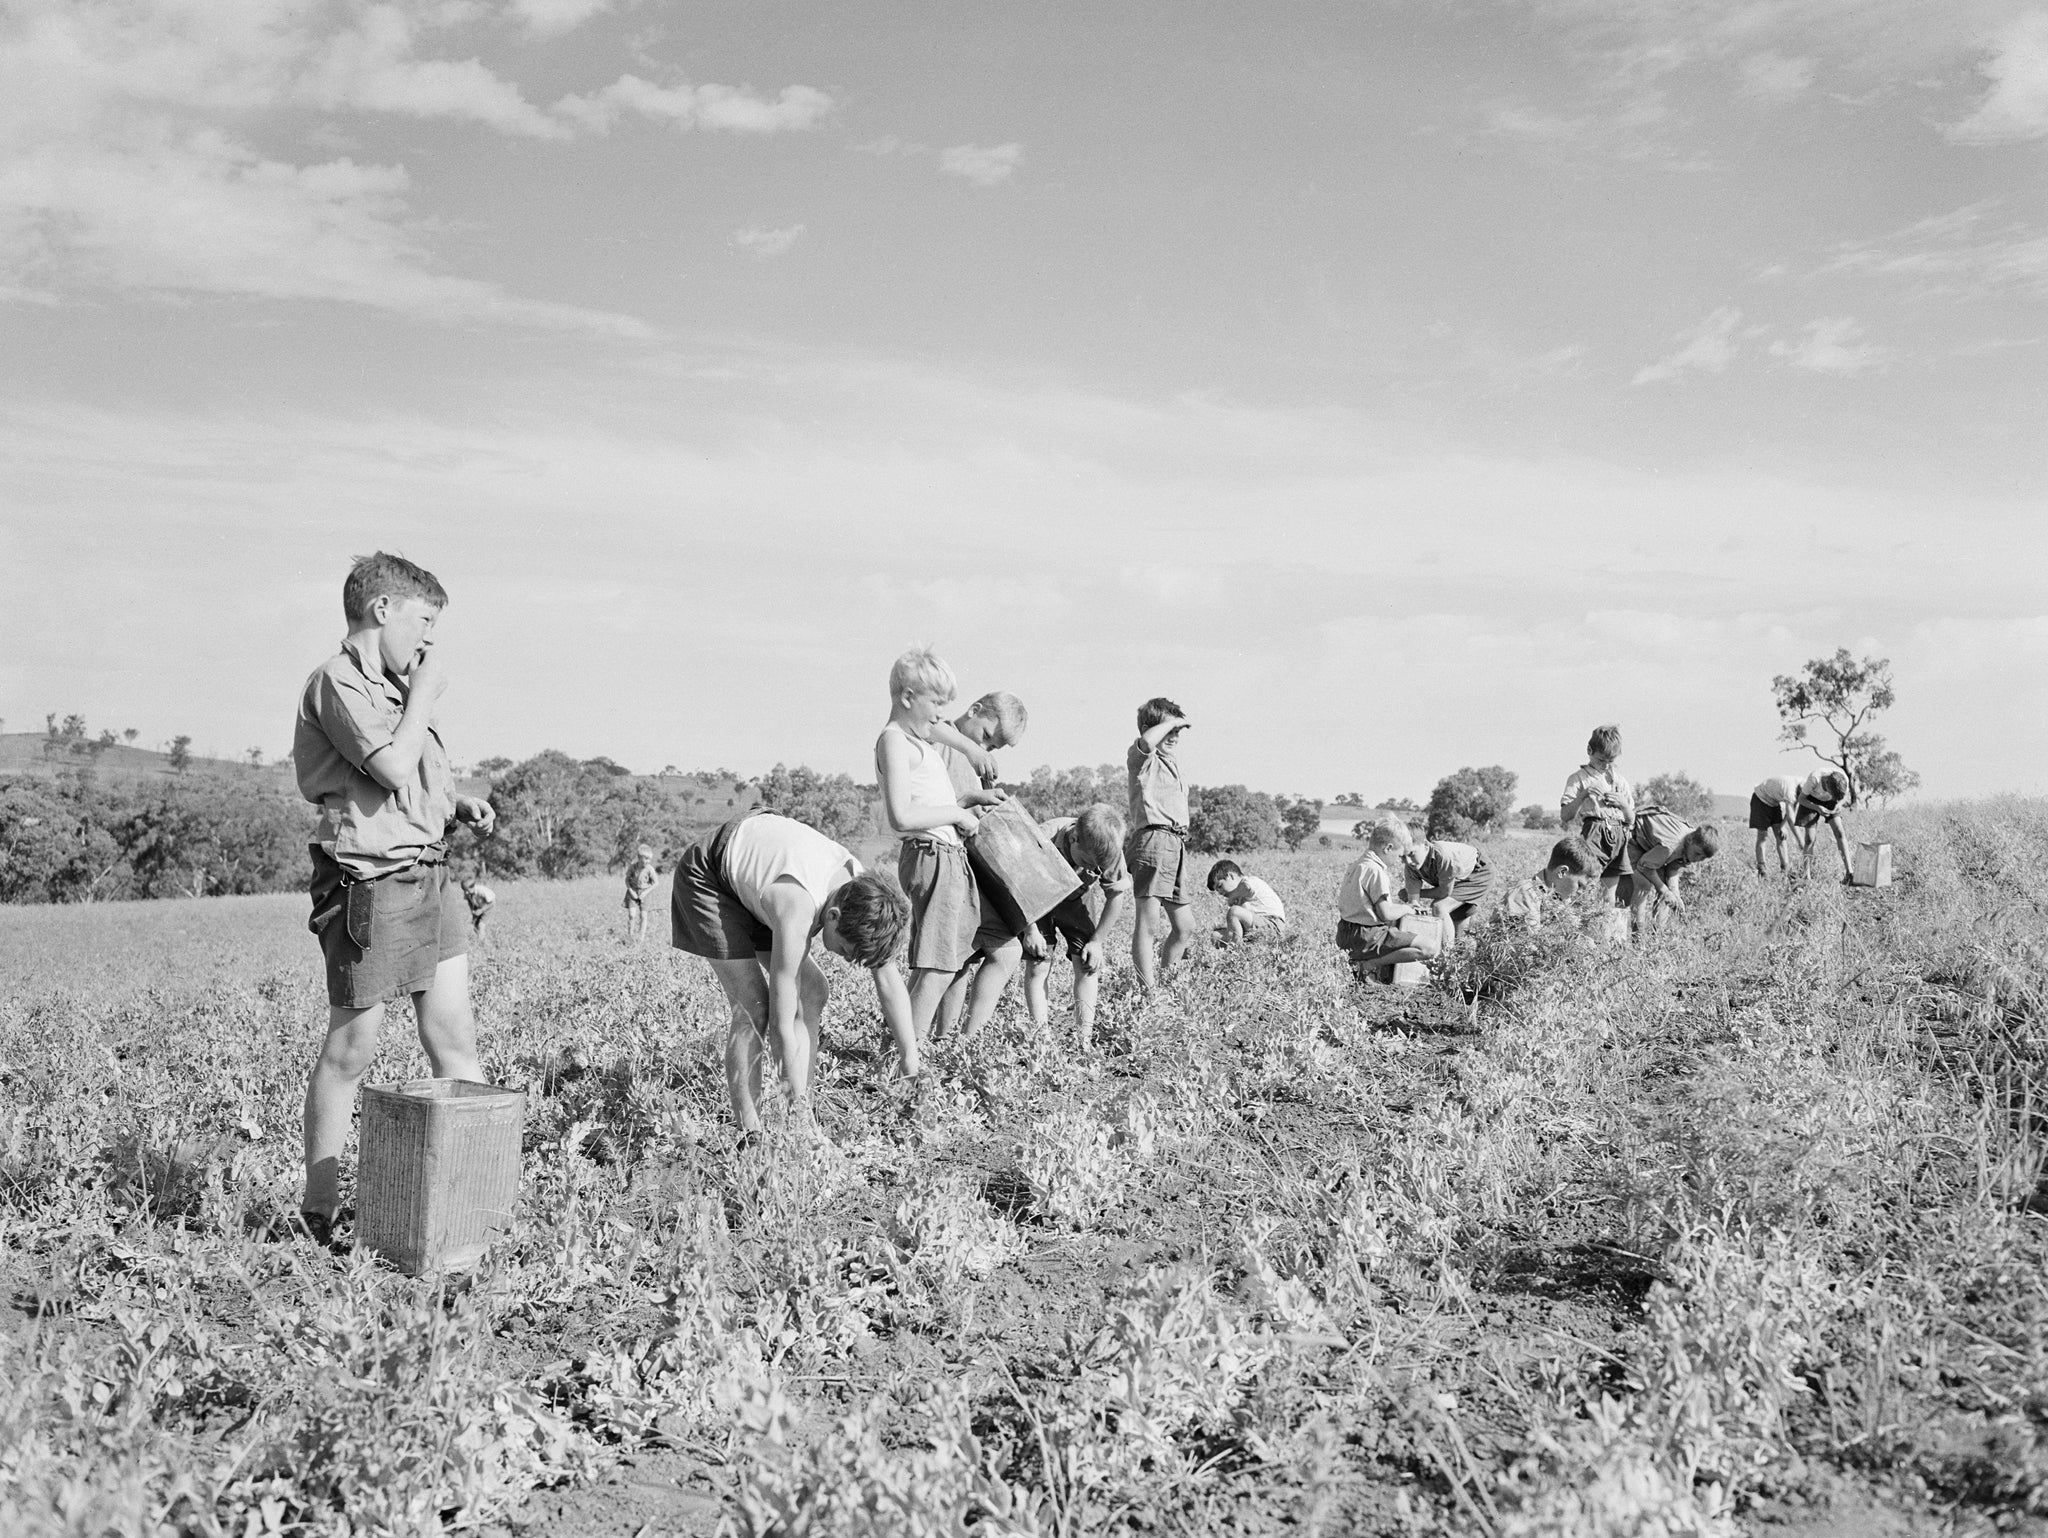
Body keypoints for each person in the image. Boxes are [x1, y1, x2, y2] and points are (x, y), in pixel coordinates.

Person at [291, 552, 497, 1246]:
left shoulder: (390, 686)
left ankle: (471, 1201)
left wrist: (454, 805)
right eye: (424, 620)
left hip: (430, 876)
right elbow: (390, 763)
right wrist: (425, 695)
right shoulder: (338, 684)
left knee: (454, 1039)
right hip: (369, 887)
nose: (429, 639)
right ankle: (320, 1209)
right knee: (353, 1051)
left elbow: (405, 783)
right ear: (382, 610)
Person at [670, 810, 913, 1139]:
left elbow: (888, 980)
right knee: (753, 1005)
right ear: (833, 914)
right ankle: (750, 1132)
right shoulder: (797, 908)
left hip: (759, 873)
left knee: (813, 991)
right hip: (710, 875)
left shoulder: (864, 893)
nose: (844, 958)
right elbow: (780, 1024)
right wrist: (792, 1109)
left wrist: (910, 1060)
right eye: (845, 950)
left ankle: (805, 1103)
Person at [874, 647, 1018, 1045]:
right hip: (932, 856)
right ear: (907, 698)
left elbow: (932, 800)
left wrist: (968, 801)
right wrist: (956, 816)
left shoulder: (915, 739)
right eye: (935, 703)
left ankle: (909, 1049)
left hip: (944, 855)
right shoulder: (894, 741)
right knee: (937, 967)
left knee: (958, 959)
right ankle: (905, 1061)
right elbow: (901, 817)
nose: (940, 714)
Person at [935, 692, 1036, 1031]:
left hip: (969, 865)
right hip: (944, 859)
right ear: (974, 710)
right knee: (953, 960)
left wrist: (987, 800)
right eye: (987, 737)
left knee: (1003, 952)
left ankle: (963, 1040)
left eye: (995, 747)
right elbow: (935, 803)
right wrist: (971, 750)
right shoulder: (943, 740)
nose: (987, 749)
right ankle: (942, 1040)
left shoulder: (970, 757)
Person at [1022, 804, 1131, 1051]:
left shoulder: (1108, 851)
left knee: (1087, 964)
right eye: (1088, 863)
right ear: (1073, 839)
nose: (1094, 870)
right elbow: (1020, 885)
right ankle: (1042, 1042)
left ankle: (1083, 1041)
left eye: (1098, 869)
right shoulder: (1042, 837)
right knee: (1038, 964)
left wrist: (1097, 941)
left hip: (1077, 898)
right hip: (1037, 900)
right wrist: (1030, 930)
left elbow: (1116, 897)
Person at [1126, 697, 1198, 987]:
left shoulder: (1172, 763)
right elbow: (1145, 743)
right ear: (1151, 729)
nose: (1175, 736)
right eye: (1169, 729)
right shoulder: (1144, 759)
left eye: (1178, 731)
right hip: (1153, 841)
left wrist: (1172, 724)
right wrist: (1168, 724)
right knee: (1149, 924)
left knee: (1185, 928)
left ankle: (1168, 985)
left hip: (1175, 844)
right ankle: (1148, 993)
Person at [1334, 818, 1442, 981]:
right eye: (1399, 856)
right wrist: (1409, 908)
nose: (1399, 861)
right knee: (1429, 948)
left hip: (1345, 934)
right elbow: (1385, 913)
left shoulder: (1357, 865)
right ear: (1388, 848)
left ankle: (1367, 966)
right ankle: (1368, 965)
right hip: (1366, 936)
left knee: (1397, 931)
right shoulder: (1376, 871)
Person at [1558, 724, 1635, 904]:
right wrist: (1583, 795)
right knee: (1583, 885)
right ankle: (1574, 926)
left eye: (1611, 762)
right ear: (1589, 750)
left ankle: (1604, 930)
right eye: (1601, 760)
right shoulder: (1579, 778)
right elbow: (1565, 815)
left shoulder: (1620, 781)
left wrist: (1623, 805)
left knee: (1609, 893)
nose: (1605, 766)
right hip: (1595, 831)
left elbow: (1631, 819)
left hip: (1618, 834)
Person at [1626, 807, 1720, 932]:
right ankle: (1637, 934)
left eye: (1703, 858)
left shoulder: (1691, 843)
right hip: (1634, 836)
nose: (1698, 859)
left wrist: (1676, 895)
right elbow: (1644, 866)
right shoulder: (1672, 845)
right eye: (1697, 854)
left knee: (1666, 891)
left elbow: (1673, 867)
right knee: (1644, 885)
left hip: (1653, 847)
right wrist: (1665, 890)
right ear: (1690, 840)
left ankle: (1658, 933)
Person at [1749, 769, 1853, 880]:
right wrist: (1800, 842)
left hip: (1774, 803)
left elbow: (1791, 810)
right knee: (1763, 835)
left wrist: (1782, 826)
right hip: (1761, 798)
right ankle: (1762, 869)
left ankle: (1785, 869)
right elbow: (1791, 816)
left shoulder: (1807, 785)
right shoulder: (1793, 790)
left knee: (1780, 836)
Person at [1400, 836, 1498, 943]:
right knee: (1458, 929)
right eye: (1403, 857)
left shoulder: (1443, 855)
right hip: (1457, 878)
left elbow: (1444, 892)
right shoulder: (1411, 866)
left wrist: (1419, 893)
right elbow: (1414, 903)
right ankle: (1459, 953)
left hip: (1478, 872)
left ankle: (1446, 956)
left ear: (1425, 845)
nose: (1408, 861)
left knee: (1439, 907)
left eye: (1411, 854)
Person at [1498, 835, 1603, 930]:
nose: (1580, 892)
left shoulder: (1557, 898)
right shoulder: (1526, 893)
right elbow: (1528, 944)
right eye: (1579, 885)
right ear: (1562, 872)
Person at [1207, 859, 1286, 943]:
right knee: (1215, 936)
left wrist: (1232, 898)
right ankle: (1245, 946)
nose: (1220, 892)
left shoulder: (1250, 881)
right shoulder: (1238, 898)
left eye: (1220, 886)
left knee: (1234, 911)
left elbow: (1247, 887)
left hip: (1271, 925)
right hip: (1253, 930)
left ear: (1231, 876)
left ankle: (1235, 950)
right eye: (1217, 891)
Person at [623, 846, 658, 943]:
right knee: (632, 915)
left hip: (645, 893)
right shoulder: (633, 867)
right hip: (633, 892)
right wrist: (631, 891)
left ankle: (641, 938)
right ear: (639, 857)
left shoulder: (649, 869)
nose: (647, 861)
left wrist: (645, 893)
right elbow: (627, 879)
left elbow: (656, 883)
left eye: (649, 859)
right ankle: (630, 936)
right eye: (645, 859)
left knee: (643, 915)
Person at [461, 874, 495, 938]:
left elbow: (492, 903)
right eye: (464, 890)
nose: (465, 893)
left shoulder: (481, 891)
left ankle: (481, 942)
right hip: (478, 906)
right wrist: (472, 911)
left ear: (472, 887)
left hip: (487, 906)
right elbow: (469, 901)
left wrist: (482, 910)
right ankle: (479, 936)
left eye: (466, 890)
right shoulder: (467, 893)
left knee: (481, 924)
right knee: (475, 925)